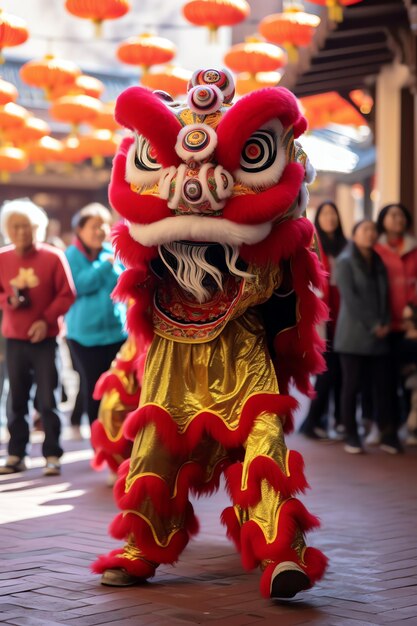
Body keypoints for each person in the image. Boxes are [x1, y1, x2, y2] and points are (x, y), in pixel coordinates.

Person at [92, 72, 328, 600]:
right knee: (154, 446)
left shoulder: (263, 245)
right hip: (172, 355)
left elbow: (277, 290)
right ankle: (143, 547)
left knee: (263, 441)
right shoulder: (151, 243)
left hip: (242, 346)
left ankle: (282, 553)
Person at [0, 199, 75, 475]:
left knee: (48, 398)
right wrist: (9, 300)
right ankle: (16, 454)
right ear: (8, 229)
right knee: (16, 399)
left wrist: (46, 320)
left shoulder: (54, 257)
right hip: (15, 339)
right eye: (16, 227)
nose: (22, 232)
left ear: (38, 228)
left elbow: (67, 293)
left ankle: (52, 454)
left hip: (46, 340)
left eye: (27, 227)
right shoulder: (2, 257)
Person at [334, 219, 401, 454]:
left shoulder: (378, 260)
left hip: (379, 333)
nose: (370, 234)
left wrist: (384, 321)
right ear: (354, 234)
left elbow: (386, 294)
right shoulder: (345, 262)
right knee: (351, 387)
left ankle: (387, 433)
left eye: (373, 230)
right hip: (353, 336)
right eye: (365, 230)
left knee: (383, 385)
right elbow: (352, 301)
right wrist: (374, 324)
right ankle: (351, 434)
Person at [64, 203, 127, 430]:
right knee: (93, 387)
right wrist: (104, 268)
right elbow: (79, 286)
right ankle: (97, 437)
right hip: (84, 336)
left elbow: (121, 286)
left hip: (116, 332)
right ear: (79, 230)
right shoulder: (70, 255)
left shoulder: (112, 252)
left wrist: (112, 266)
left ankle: (115, 436)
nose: (100, 230)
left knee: (118, 387)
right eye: (93, 226)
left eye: (103, 225)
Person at [299, 201, 346, 440]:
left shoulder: (345, 246)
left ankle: (331, 420)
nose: (330, 218)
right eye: (326, 213)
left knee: (339, 371)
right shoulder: (314, 243)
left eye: (333, 214)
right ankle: (313, 421)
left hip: (344, 315)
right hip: (321, 314)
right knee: (327, 370)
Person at [372, 203, 417, 441]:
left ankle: (410, 425)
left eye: (401, 215)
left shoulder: (413, 248)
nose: (397, 219)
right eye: (392, 215)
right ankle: (384, 427)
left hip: (409, 326)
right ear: (383, 219)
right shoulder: (375, 248)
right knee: (383, 380)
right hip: (383, 324)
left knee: (408, 379)